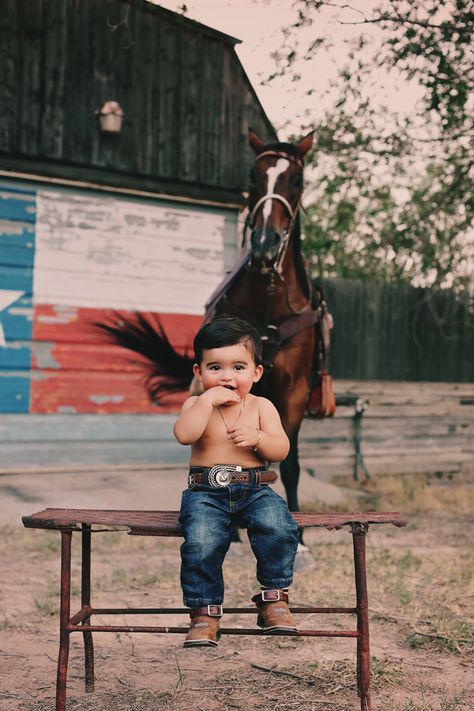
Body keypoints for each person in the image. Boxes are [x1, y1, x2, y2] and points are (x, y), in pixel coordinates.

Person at [173, 316, 299, 648]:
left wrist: (258, 437)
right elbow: (184, 435)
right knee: (201, 541)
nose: (227, 376)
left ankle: (274, 599)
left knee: (278, 526)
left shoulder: (262, 406)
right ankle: (204, 613)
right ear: (199, 373)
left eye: (238, 367)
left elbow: (281, 449)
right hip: (205, 491)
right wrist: (205, 401)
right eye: (215, 367)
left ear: (256, 373)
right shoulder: (194, 404)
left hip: (256, 488)